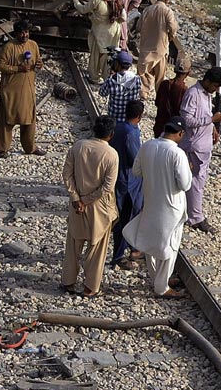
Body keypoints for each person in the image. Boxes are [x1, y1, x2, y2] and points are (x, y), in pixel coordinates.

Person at [123, 117, 193, 297]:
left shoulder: (147, 146)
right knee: (170, 245)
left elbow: (136, 171)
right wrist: (188, 170)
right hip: (171, 206)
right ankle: (162, 287)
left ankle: (158, 279)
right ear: (180, 133)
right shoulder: (177, 153)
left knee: (152, 242)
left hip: (151, 201)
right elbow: (185, 184)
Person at [60, 115, 119, 298]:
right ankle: (90, 287)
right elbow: (107, 187)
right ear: (111, 134)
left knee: (73, 244)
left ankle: (68, 281)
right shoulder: (111, 154)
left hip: (77, 205)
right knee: (97, 248)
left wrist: (76, 198)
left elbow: (67, 174)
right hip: (99, 207)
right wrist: (86, 200)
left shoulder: (78, 146)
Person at [179, 66, 221, 234]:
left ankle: (191, 213)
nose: (216, 89)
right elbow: (187, 120)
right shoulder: (193, 94)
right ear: (207, 81)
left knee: (198, 182)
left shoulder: (206, 94)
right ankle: (196, 218)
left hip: (203, 146)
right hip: (194, 145)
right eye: (215, 85)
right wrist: (211, 119)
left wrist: (212, 127)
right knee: (196, 182)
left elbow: (203, 115)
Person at [0, 21, 40, 156]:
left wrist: (39, 64)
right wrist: (18, 69)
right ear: (16, 33)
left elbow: (37, 61)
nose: (24, 35)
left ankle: (30, 147)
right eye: (21, 33)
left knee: (29, 119)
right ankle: (1, 149)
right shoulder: (9, 47)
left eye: (26, 32)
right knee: (6, 119)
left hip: (27, 90)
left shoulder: (33, 45)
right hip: (11, 91)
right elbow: (0, 66)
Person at [110, 100, 145, 267]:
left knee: (124, 216)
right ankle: (120, 254)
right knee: (127, 217)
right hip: (129, 181)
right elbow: (135, 159)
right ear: (139, 116)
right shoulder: (131, 133)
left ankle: (132, 247)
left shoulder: (117, 127)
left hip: (118, 177)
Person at [72, 0, 121, 82]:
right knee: (108, 57)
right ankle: (107, 79)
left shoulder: (98, 1)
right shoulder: (116, 0)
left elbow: (82, 9)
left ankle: (94, 78)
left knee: (96, 56)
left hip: (100, 33)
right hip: (113, 33)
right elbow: (123, 17)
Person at [137, 0, 179, 95]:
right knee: (160, 77)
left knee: (143, 74)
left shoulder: (147, 10)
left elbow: (138, 27)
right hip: (161, 49)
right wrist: (170, 36)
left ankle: (144, 94)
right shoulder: (167, 11)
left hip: (146, 49)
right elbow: (173, 28)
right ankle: (159, 97)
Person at [99, 50, 141, 123]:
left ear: (117, 64)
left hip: (114, 119)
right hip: (129, 119)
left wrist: (111, 76)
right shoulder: (137, 79)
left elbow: (102, 93)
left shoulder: (111, 81)